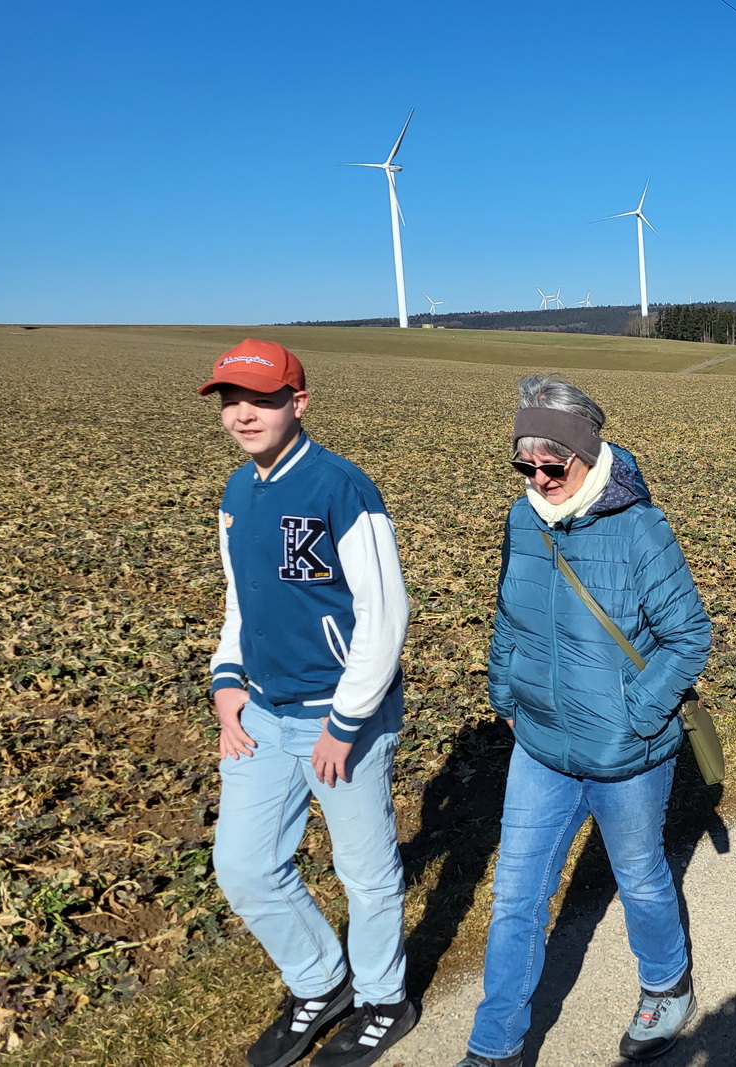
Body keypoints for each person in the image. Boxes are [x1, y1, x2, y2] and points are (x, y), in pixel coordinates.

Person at [456, 375, 712, 1067]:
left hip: (626, 752)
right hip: (539, 744)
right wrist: (505, 694)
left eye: (553, 465)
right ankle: (495, 1046)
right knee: (515, 895)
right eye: (525, 466)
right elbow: (510, 616)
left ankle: (667, 981)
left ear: (585, 453)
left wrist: (637, 712)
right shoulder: (522, 521)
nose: (539, 480)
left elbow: (690, 635)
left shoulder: (638, 528)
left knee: (640, 875)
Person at [203, 339, 415, 1067]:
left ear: (299, 403)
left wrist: (345, 722)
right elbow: (242, 601)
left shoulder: (340, 487)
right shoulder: (237, 493)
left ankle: (385, 997)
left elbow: (384, 614)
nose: (242, 413)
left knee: (365, 870)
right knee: (244, 865)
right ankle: (321, 982)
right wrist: (227, 682)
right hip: (261, 712)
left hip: (340, 716)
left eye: (260, 398)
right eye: (231, 399)